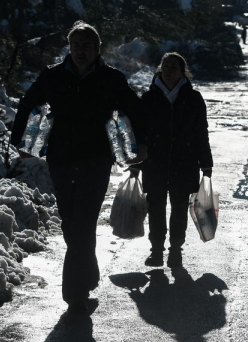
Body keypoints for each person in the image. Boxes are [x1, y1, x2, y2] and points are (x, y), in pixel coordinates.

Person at [10, 21, 147, 314]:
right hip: (61, 158)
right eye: (76, 46)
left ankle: (74, 291)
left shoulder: (111, 79)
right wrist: (20, 140)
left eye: (87, 46)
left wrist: (141, 145)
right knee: (71, 221)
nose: (81, 51)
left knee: (83, 220)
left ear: (97, 49)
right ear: (69, 48)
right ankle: (89, 272)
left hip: (97, 160)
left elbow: (134, 110)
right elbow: (29, 103)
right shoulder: (53, 76)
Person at [131, 52, 213, 269]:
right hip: (154, 163)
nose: (168, 71)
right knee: (156, 207)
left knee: (178, 208)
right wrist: (135, 165)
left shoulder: (193, 98)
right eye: (165, 67)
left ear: (182, 72)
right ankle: (156, 250)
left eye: (173, 68)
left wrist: (206, 164)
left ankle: (176, 249)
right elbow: (139, 136)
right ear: (160, 69)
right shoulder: (148, 98)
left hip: (184, 162)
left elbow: (200, 133)